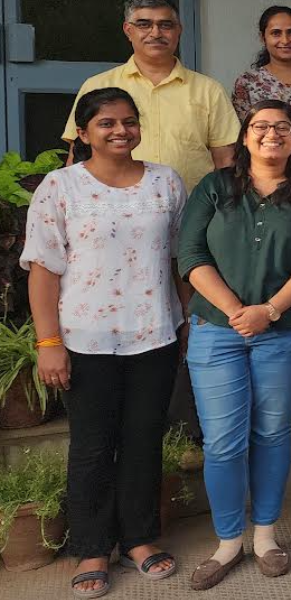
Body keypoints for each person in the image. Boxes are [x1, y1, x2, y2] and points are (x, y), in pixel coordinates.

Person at [27, 88, 187, 598]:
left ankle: (139, 538)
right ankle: (93, 547)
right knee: (92, 445)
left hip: (154, 333)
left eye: (129, 121)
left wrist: (185, 321)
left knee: (144, 438)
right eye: (107, 123)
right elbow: (43, 269)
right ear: (83, 133)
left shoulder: (165, 181)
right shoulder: (61, 186)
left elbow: (179, 258)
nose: (121, 131)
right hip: (85, 339)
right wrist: (48, 342)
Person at [177, 100, 291, 590]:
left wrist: (269, 310)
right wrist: (236, 311)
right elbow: (190, 253)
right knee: (223, 441)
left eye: (282, 127)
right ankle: (228, 542)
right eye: (261, 126)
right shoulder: (215, 186)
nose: (272, 134)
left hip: (285, 331)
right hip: (216, 331)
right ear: (245, 136)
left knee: (271, 433)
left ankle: (265, 536)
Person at [62, 0, 239, 191]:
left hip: (191, 208)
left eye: (165, 25)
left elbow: (225, 161)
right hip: (110, 206)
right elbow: (77, 156)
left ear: (179, 30)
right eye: (144, 24)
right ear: (128, 30)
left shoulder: (208, 90)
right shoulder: (97, 86)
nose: (155, 33)